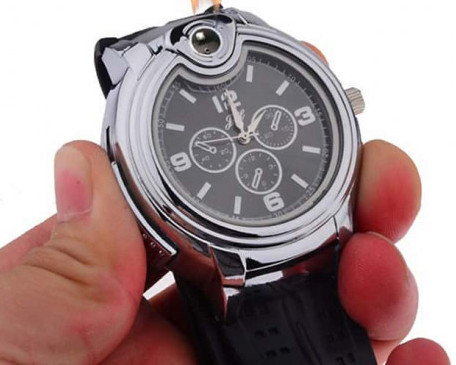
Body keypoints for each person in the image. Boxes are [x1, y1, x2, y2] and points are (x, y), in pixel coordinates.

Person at [0, 44, 450, 364]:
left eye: (248, 132)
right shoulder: (134, 79)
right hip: (229, 269)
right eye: (240, 135)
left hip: (321, 232)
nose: (245, 136)